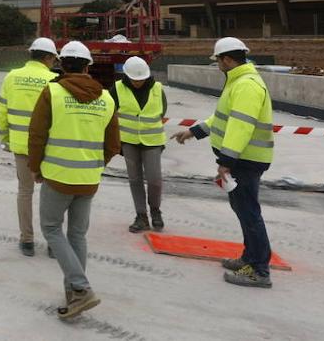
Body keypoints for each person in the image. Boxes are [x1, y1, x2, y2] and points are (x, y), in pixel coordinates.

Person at [28, 40, 120, 321]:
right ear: (88, 65)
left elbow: (37, 135)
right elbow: (113, 144)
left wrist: (36, 168)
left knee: (52, 229)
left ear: (61, 64)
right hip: (89, 178)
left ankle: (80, 288)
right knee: (78, 234)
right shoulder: (105, 98)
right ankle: (74, 293)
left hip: (58, 176)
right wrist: (94, 164)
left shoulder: (53, 92)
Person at [172, 37, 275, 288]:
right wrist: (194, 131)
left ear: (227, 59)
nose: (216, 64)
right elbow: (222, 119)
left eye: (217, 60)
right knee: (243, 210)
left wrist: (226, 161)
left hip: (245, 161)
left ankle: (259, 270)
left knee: (249, 213)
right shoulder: (238, 82)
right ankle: (249, 259)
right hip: (243, 159)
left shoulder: (246, 85)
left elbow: (241, 126)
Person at [0, 37, 60, 256]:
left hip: (21, 146)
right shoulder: (55, 80)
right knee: (52, 195)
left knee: (25, 192)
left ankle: (27, 241)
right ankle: (54, 243)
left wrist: (6, 138)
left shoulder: (12, 77)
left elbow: (2, 112)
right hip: (50, 148)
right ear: (49, 57)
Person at [109, 55, 167, 233]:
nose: (138, 82)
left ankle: (155, 211)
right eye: (134, 79)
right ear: (127, 76)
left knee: (154, 179)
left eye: (141, 79)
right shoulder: (117, 89)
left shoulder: (157, 88)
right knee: (135, 179)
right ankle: (141, 216)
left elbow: (163, 110)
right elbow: (111, 113)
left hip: (152, 141)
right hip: (129, 142)